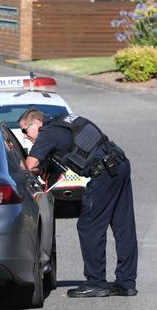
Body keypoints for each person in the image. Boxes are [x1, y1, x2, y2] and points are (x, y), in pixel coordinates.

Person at [18, 108, 138, 298]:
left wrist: (19, 167)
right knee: (123, 226)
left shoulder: (47, 133)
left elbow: (30, 166)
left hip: (104, 173)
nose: (25, 137)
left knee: (89, 226)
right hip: (119, 163)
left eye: (25, 131)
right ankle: (126, 283)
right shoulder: (64, 122)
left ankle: (96, 282)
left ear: (35, 123)